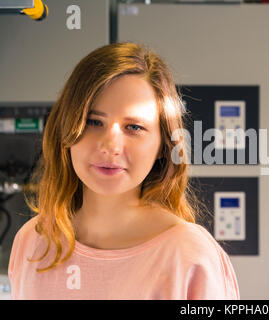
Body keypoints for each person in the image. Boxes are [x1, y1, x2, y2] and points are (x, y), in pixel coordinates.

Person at [8, 42, 240, 300]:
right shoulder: (32, 242)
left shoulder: (189, 255)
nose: (110, 146)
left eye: (134, 127)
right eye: (93, 122)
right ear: (66, 130)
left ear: (164, 145)